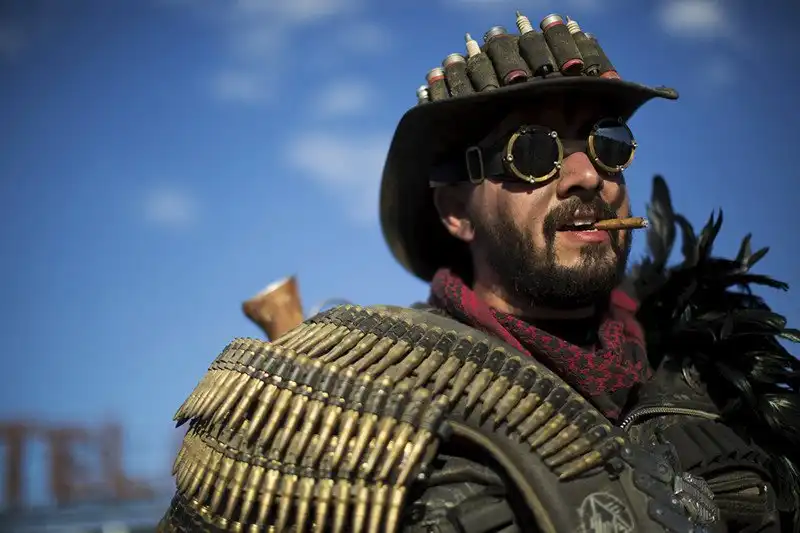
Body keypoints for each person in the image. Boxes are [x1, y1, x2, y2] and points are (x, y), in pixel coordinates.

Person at [159, 12, 800, 533]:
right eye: (533, 152)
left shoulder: (716, 372)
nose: (587, 175)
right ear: (457, 212)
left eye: (608, 142)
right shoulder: (373, 398)